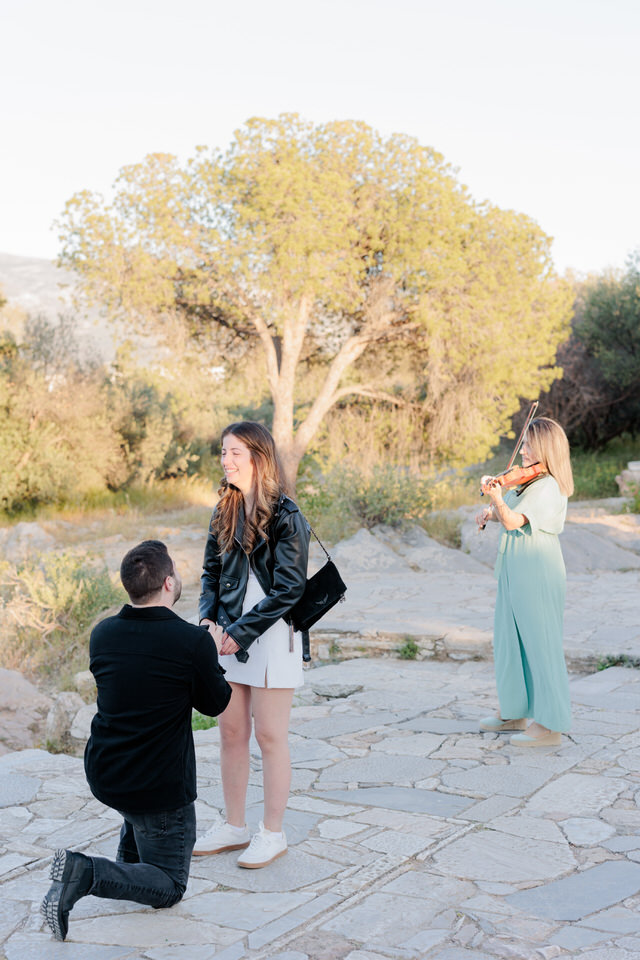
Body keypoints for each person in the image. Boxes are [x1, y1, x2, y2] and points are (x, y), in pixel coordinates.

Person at [41, 540, 231, 942]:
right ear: (168, 583)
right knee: (168, 886)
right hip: (157, 788)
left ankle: (131, 854)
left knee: (139, 802)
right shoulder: (191, 642)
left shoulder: (103, 634)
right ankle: (84, 872)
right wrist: (209, 651)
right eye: (176, 572)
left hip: (107, 772)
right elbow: (215, 704)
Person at [194, 421, 310, 868]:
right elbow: (209, 572)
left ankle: (273, 833)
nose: (226, 461)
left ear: (259, 457)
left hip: (270, 634)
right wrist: (208, 619)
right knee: (230, 732)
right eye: (223, 452)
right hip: (224, 635)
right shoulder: (223, 508)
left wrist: (240, 632)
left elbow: (289, 590)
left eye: (235, 452)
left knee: (269, 735)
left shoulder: (286, 514)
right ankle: (234, 825)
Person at [475, 417, 573, 747]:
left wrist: (499, 501)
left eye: (529, 444)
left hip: (536, 569)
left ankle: (551, 725)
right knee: (509, 640)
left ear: (545, 448)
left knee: (540, 644)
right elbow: (508, 511)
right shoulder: (528, 482)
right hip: (514, 568)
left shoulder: (547, 486)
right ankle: (515, 711)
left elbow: (515, 520)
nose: (524, 450)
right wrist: (491, 509)